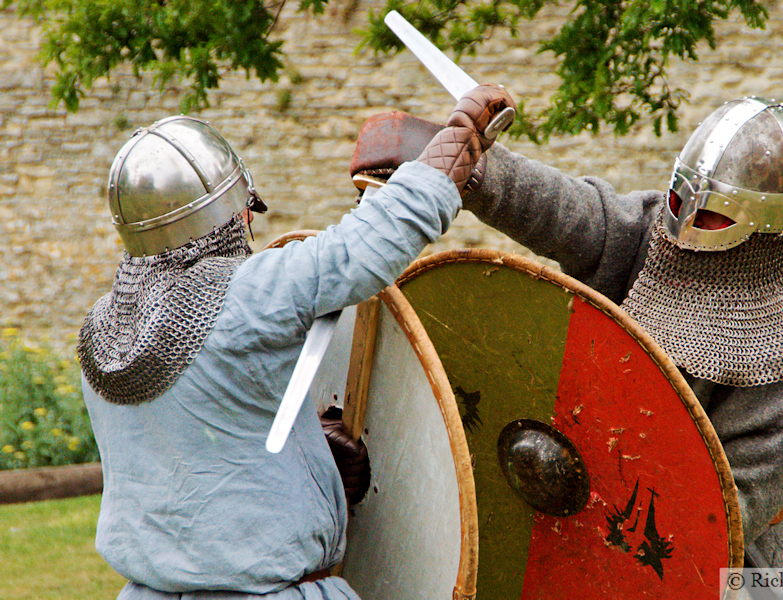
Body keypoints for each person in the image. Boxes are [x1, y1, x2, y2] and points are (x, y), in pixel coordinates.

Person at [352, 97, 783, 594]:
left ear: (767, 227)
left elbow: (709, 523)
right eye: (682, 197)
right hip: (563, 509)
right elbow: (566, 210)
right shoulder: (649, 238)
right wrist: (467, 168)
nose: (688, 222)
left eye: (716, 213)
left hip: (728, 575)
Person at [77, 84, 515, 599]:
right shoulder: (243, 294)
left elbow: (198, 443)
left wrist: (309, 455)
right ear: (225, 214)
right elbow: (362, 248)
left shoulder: (103, 331)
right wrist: (458, 138)